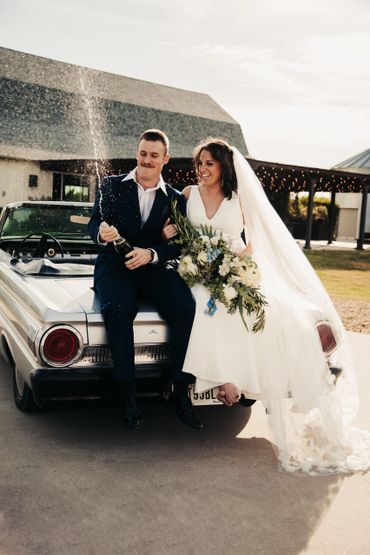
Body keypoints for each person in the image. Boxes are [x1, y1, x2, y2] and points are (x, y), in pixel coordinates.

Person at [162, 138, 370, 474]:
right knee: (205, 304)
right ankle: (224, 381)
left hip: (232, 268)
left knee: (253, 311)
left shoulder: (239, 198)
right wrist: (176, 240)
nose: (201, 170)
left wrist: (234, 263)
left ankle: (235, 383)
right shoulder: (186, 194)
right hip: (197, 272)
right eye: (199, 164)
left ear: (223, 167)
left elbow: (255, 240)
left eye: (208, 164)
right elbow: (177, 232)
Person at [88, 129, 202, 430]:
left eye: (154, 155)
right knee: (120, 308)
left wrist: (152, 252)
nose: (147, 160)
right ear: (136, 153)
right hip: (114, 268)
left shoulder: (175, 198)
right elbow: (93, 224)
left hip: (152, 268)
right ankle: (127, 393)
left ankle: (178, 390)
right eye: (142, 153)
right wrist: (101, 233)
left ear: (165, 159)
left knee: (185, 305)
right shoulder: (111, 186)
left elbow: (180, 244)